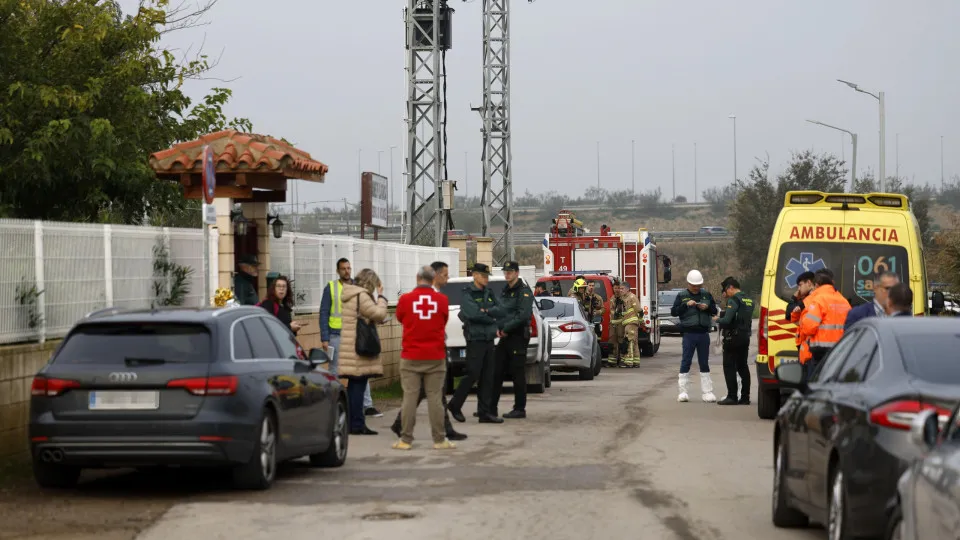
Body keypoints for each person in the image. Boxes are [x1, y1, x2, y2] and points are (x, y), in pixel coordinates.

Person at [390, 261, 467, 441]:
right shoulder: (441, 299)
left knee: (416, 395)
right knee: (435, 396)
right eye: (445, 275)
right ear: (435, 276)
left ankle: (403, 429)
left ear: (418, 278)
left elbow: (401, 318)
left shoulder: (407, 299)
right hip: (434, 353)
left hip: (413, 354)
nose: (447, 278)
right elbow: (443, 320)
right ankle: (441, 433)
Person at [320, 258, 381, 417]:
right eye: (343, 269)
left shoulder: (357, 287)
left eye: (349, 268)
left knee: (362, 369)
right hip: (335, 335)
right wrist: (325, 338)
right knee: (334, 371)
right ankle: (335, 405)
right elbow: (324, 313)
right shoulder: (331, 288)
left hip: (355, 334)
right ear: (337, 271)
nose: (347, 271)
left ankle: (367, 405)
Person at [447, 263, 504, 424]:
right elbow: (472, 314)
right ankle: (455, 404)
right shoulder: (468, 294)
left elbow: (499, 310)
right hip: (475, 338)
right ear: (475, 275)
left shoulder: (489, 292)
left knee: (488, 376)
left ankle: (484, 412)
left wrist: (487, 312)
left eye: (487, 276)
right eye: (484, 276)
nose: (486, 279)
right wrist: (489, 315)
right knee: (473, 373)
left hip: (489, 338)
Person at [337, 269, 389, 435]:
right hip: (358, 349)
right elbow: (379, 313)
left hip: (350, 346)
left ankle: (353, 423)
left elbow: (361, 317)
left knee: (354, 387)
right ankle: (358, 424)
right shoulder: (362, 295)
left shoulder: (350, 294)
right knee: (358, 387)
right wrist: (381, 297)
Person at [490, 261, 535, 419]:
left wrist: (506, 329)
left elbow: (523, 315)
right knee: (496, 372)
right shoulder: (505, 290)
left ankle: (519, 408)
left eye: (510, 271)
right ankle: (490, 408)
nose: (507, 274)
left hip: (517, 337)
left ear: (516, 272)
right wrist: (497, 327)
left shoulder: (524, 292)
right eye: (505, 271)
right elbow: (502, 311)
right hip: (504, 336)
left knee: (517, 374)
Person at [670, 269, 718, 403]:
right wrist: (685, 305)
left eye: (699, 285)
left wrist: (707, 308)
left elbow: (714, 310)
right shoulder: (681, 295)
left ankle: (707, 392)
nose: (696, 288)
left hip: (703, 333)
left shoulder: (706, 294)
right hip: (689, 333)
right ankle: (683, 392)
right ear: (689, 284)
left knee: (704, 362)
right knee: (686, 360)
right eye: (694, 285)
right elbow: (674, 312)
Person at [798, 268, 851, 379]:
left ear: (816, 284)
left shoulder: (818, 300)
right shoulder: (843, 300)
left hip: (820, 353)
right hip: (840, 351)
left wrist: (802, 322)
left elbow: (808, 328)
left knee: (814, 388)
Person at [715, 277, 754, 406]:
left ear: (731, 287)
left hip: (733, 338)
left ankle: (732, 396)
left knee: (729, 366)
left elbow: (727, 320)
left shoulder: (734, 299)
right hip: (745, 336)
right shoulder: (749, 300)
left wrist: (717, 319)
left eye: (726, 290)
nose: (725, 293)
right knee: (743, 366)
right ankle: (745, 397)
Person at [620, 282, 643, 368]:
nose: (620, 290)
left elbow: (638, 310)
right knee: (634, 342)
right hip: (628, 322)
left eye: (622, 289)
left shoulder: (632, 297)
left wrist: (640, 320)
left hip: (631, 322)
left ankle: (629, 362)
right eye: (620, 288)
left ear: (627, 289)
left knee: (629, 341)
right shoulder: (624, 298)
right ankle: (636, 362)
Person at [607, 280, 627, 368]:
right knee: (612, 342)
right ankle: (612, 361)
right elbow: (611, 311)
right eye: (615, 288)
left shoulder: (624, 299)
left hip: (621, 323)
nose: (617, 290)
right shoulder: (612, 298)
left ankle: (622, 360)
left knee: (622, 342)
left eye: (619, 288)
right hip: (613, 324)